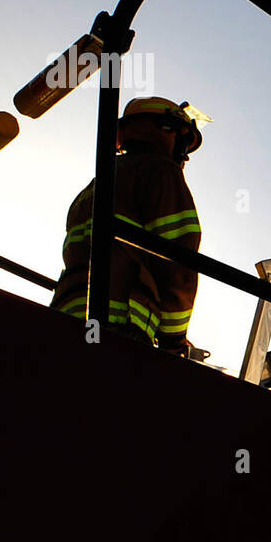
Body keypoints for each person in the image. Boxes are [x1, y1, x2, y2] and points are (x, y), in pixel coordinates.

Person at [50, 96, 204, 357]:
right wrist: (174, 338)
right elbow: (179, 263)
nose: (184, 156)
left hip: (67, 313)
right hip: (118, 323)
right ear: (166, 131)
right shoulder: (161, 172)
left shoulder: (102, 180)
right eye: (183, 143)